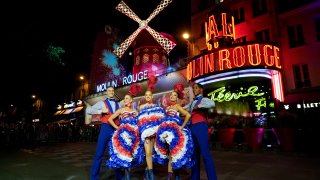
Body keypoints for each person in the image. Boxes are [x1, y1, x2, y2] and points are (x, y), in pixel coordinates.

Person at [154, 83, 195, 180]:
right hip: (166, 131)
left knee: (174, 154)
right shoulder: (167, 108)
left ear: (177, 98)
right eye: (171, 95)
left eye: (175, 95)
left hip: (175, 132)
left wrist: (182, 126)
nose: (172, 96)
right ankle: (172, 176)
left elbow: (188, 115)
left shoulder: (177, 107)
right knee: (170, 155)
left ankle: (175, 176)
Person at [85, 86, 123, 180]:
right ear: (106, 92)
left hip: (115, 130)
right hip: (105, 129)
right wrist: (101, 110)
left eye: (112, 90)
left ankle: (119, 177)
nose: (111, 92)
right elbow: (88, 110)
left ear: (113, 92)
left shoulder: (118, 104)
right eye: (109, 90)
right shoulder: (102, 103)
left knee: (117, 154)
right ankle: (94, 178)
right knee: (99, 154)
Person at [106, 94, 144, 180]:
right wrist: (117, 127)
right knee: (126, 155)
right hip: (124, 135)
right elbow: (110, 119)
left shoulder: (135, 111)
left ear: (131, 100)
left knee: (131, 155)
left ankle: (127, 176)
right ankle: (127, 177)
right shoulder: (121, 110)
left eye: (127, 98)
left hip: (134, 135)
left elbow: (139, 122)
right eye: (124, 98)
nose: (125, 100)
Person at [186, 83, 218, 180]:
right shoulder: (192, 103)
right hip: (192, 128)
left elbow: (212, 104)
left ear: (200, 90)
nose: (194, 90)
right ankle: (194, 178)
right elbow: (184, 109)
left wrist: (198, 107)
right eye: (193, 88)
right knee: (194, 156)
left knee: (205, 154)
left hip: (201, 127)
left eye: (196, 88)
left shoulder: (203, 100)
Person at [137, 89, 166, 180]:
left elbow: (160, 119)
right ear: (145, 97)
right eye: (146, 95)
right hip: (145, 133)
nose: (148, 96)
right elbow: (139, 120)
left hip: (153, 133)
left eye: (149, 95)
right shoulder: (141, 107)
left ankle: (147, 171)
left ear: (152, 96)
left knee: (151, 153)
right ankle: (151, 175)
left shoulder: (157, 107)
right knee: (148, 153)